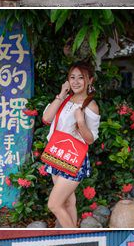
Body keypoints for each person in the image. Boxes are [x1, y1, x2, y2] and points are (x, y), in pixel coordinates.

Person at [42, 61, 100, 228]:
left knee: (54, 204)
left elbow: (90, 139)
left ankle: (75, 236)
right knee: (68, 203)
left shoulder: (91, 106)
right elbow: (46, 118)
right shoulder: (65, 99)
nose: (75, 81)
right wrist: (61, 94)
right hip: (57, 154)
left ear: (90, 80)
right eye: (72, 77)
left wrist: (81, 122)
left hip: (74, 158)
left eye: (81, 78)